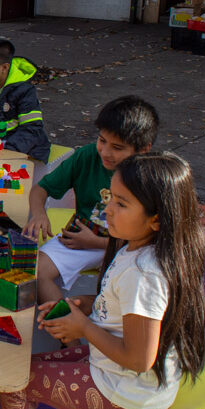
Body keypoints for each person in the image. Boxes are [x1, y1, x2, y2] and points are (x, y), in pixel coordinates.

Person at [0, 152, 205, 409]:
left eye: (121, 204)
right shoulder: (137, 247)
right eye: (110, 199)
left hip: (130, 390)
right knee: (20, 370)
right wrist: (89, 304)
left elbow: (140, 359)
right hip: (123, 374)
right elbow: (128, 310)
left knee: (17, 384)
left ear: (156, 219)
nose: (106, 211)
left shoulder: (144, 273)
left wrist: (84, 327)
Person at [29, 96, 159, 305]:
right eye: (102, 140)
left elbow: (152, 243)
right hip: (81, 239)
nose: (105, 152)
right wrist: (39, 214)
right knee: (34, 271)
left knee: (121, 296)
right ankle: (68, 334)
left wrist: (97, 242)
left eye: (117, 147)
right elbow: (40, 189)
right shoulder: (88, 156)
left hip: (127, 247)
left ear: (143, 149)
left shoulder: (152, 178)